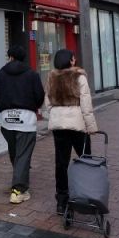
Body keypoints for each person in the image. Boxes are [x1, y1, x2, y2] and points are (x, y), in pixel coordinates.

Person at [44, 49, 98, 215]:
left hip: (59, 125)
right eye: (74, 58)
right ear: (71, 61)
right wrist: (91, 127)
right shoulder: (79, 77)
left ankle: (62, 201)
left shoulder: (51, 77)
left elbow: (47, 103)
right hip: (78, 125)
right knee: (85, 159)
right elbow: (86, 106)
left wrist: (55, 114)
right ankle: (87, 195)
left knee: (61, 163)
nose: (75, 60)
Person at [0, 45, 45, 204]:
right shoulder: (32, 74)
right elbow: (39, 95)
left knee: (15, 151)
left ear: (10, 57)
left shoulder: (1, 74)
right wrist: (33, 107)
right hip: (26, 119)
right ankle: (18, 190)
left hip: (6, 119)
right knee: (23, 154)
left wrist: (3, 107)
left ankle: (19, 178)